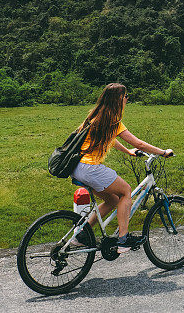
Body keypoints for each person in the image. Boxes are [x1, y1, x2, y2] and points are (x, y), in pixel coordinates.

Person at [71, 83, 173, 252]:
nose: (127, 100)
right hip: (90, 168)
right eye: (126, 97)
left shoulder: (96, 116)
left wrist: (128, 152)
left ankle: (82, 235)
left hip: (78, 168)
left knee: (112, 200)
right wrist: (162, 152)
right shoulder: (112, 119)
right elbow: (138, 142)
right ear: (119, 99)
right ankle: (123, 239)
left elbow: (110, 138)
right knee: (126, 191)